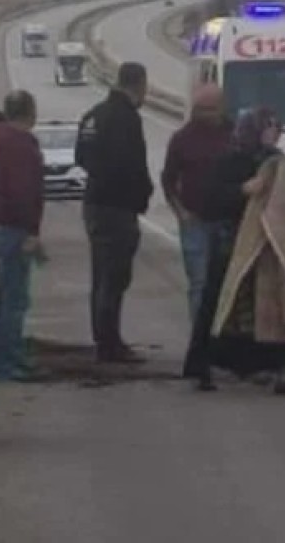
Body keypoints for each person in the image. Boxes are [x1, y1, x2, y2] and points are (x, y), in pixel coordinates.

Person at [182, 107, 285, 395]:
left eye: (277, 129)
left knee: (269, 304)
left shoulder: (278, 164)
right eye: (270, 128)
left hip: (266, 247)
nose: (275, 134)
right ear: (256, 129)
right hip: (231, 243)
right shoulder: (229, 162)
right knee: (220, 302)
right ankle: (204, 363)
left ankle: (273, 363)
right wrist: (242, 190)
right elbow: (209, 201)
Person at [76, 62, 153, 364]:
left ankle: (104, 337)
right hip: (117, 207)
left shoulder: (93, 115)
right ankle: (110, 344)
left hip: (94, 203)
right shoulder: (126, 118)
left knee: (101, 275)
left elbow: (80, 157)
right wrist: (141, 194)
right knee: (115, 277)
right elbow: (131, 163)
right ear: (138, 84)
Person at [0, 90, 45, 382]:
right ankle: (4, 364)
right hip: (13, 227)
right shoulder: (21, 144)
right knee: (14, 300)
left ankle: (10, 357)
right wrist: (32, 231)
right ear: (30, 112)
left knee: (7, 298)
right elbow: (23, 190)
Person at [161, 84, 232, 321]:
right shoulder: (182, 139)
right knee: (199, 282)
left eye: (210, 110)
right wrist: (180, 212)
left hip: (227, 220)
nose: (205, 115)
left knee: (227, 282)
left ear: (222, 108)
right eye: (200, 110)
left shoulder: (235, 135)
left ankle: (224, 338)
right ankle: (199, 339)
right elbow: (168, 180)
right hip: (195, 221)